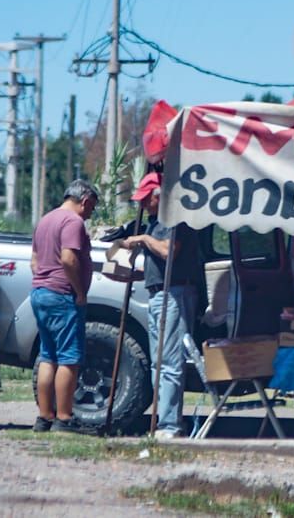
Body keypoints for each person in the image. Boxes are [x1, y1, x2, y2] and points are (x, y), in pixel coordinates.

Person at [124, 171, 204, 439]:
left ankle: (169, 425)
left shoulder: (177, 218)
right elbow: (158, 262)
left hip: (175, 292)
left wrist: (144, 240)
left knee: (169, 361)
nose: (143, 205)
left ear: (161, 196)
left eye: (147, 199)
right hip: (160, 293)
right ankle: (164, 422)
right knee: (159, 362)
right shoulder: (155, 222)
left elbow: (170, 252)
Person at [29, 178, 99, 434]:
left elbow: (35, 262)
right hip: (62, 295)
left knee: (48, 356)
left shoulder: (45, 220)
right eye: (91, 209)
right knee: (69, 358)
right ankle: (64, 418)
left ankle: (44, 417)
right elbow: (69, 259)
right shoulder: (73, 222)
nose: (90, 214)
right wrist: (79, 291)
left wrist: (44, 280)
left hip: (40, 293)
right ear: (85, 201)